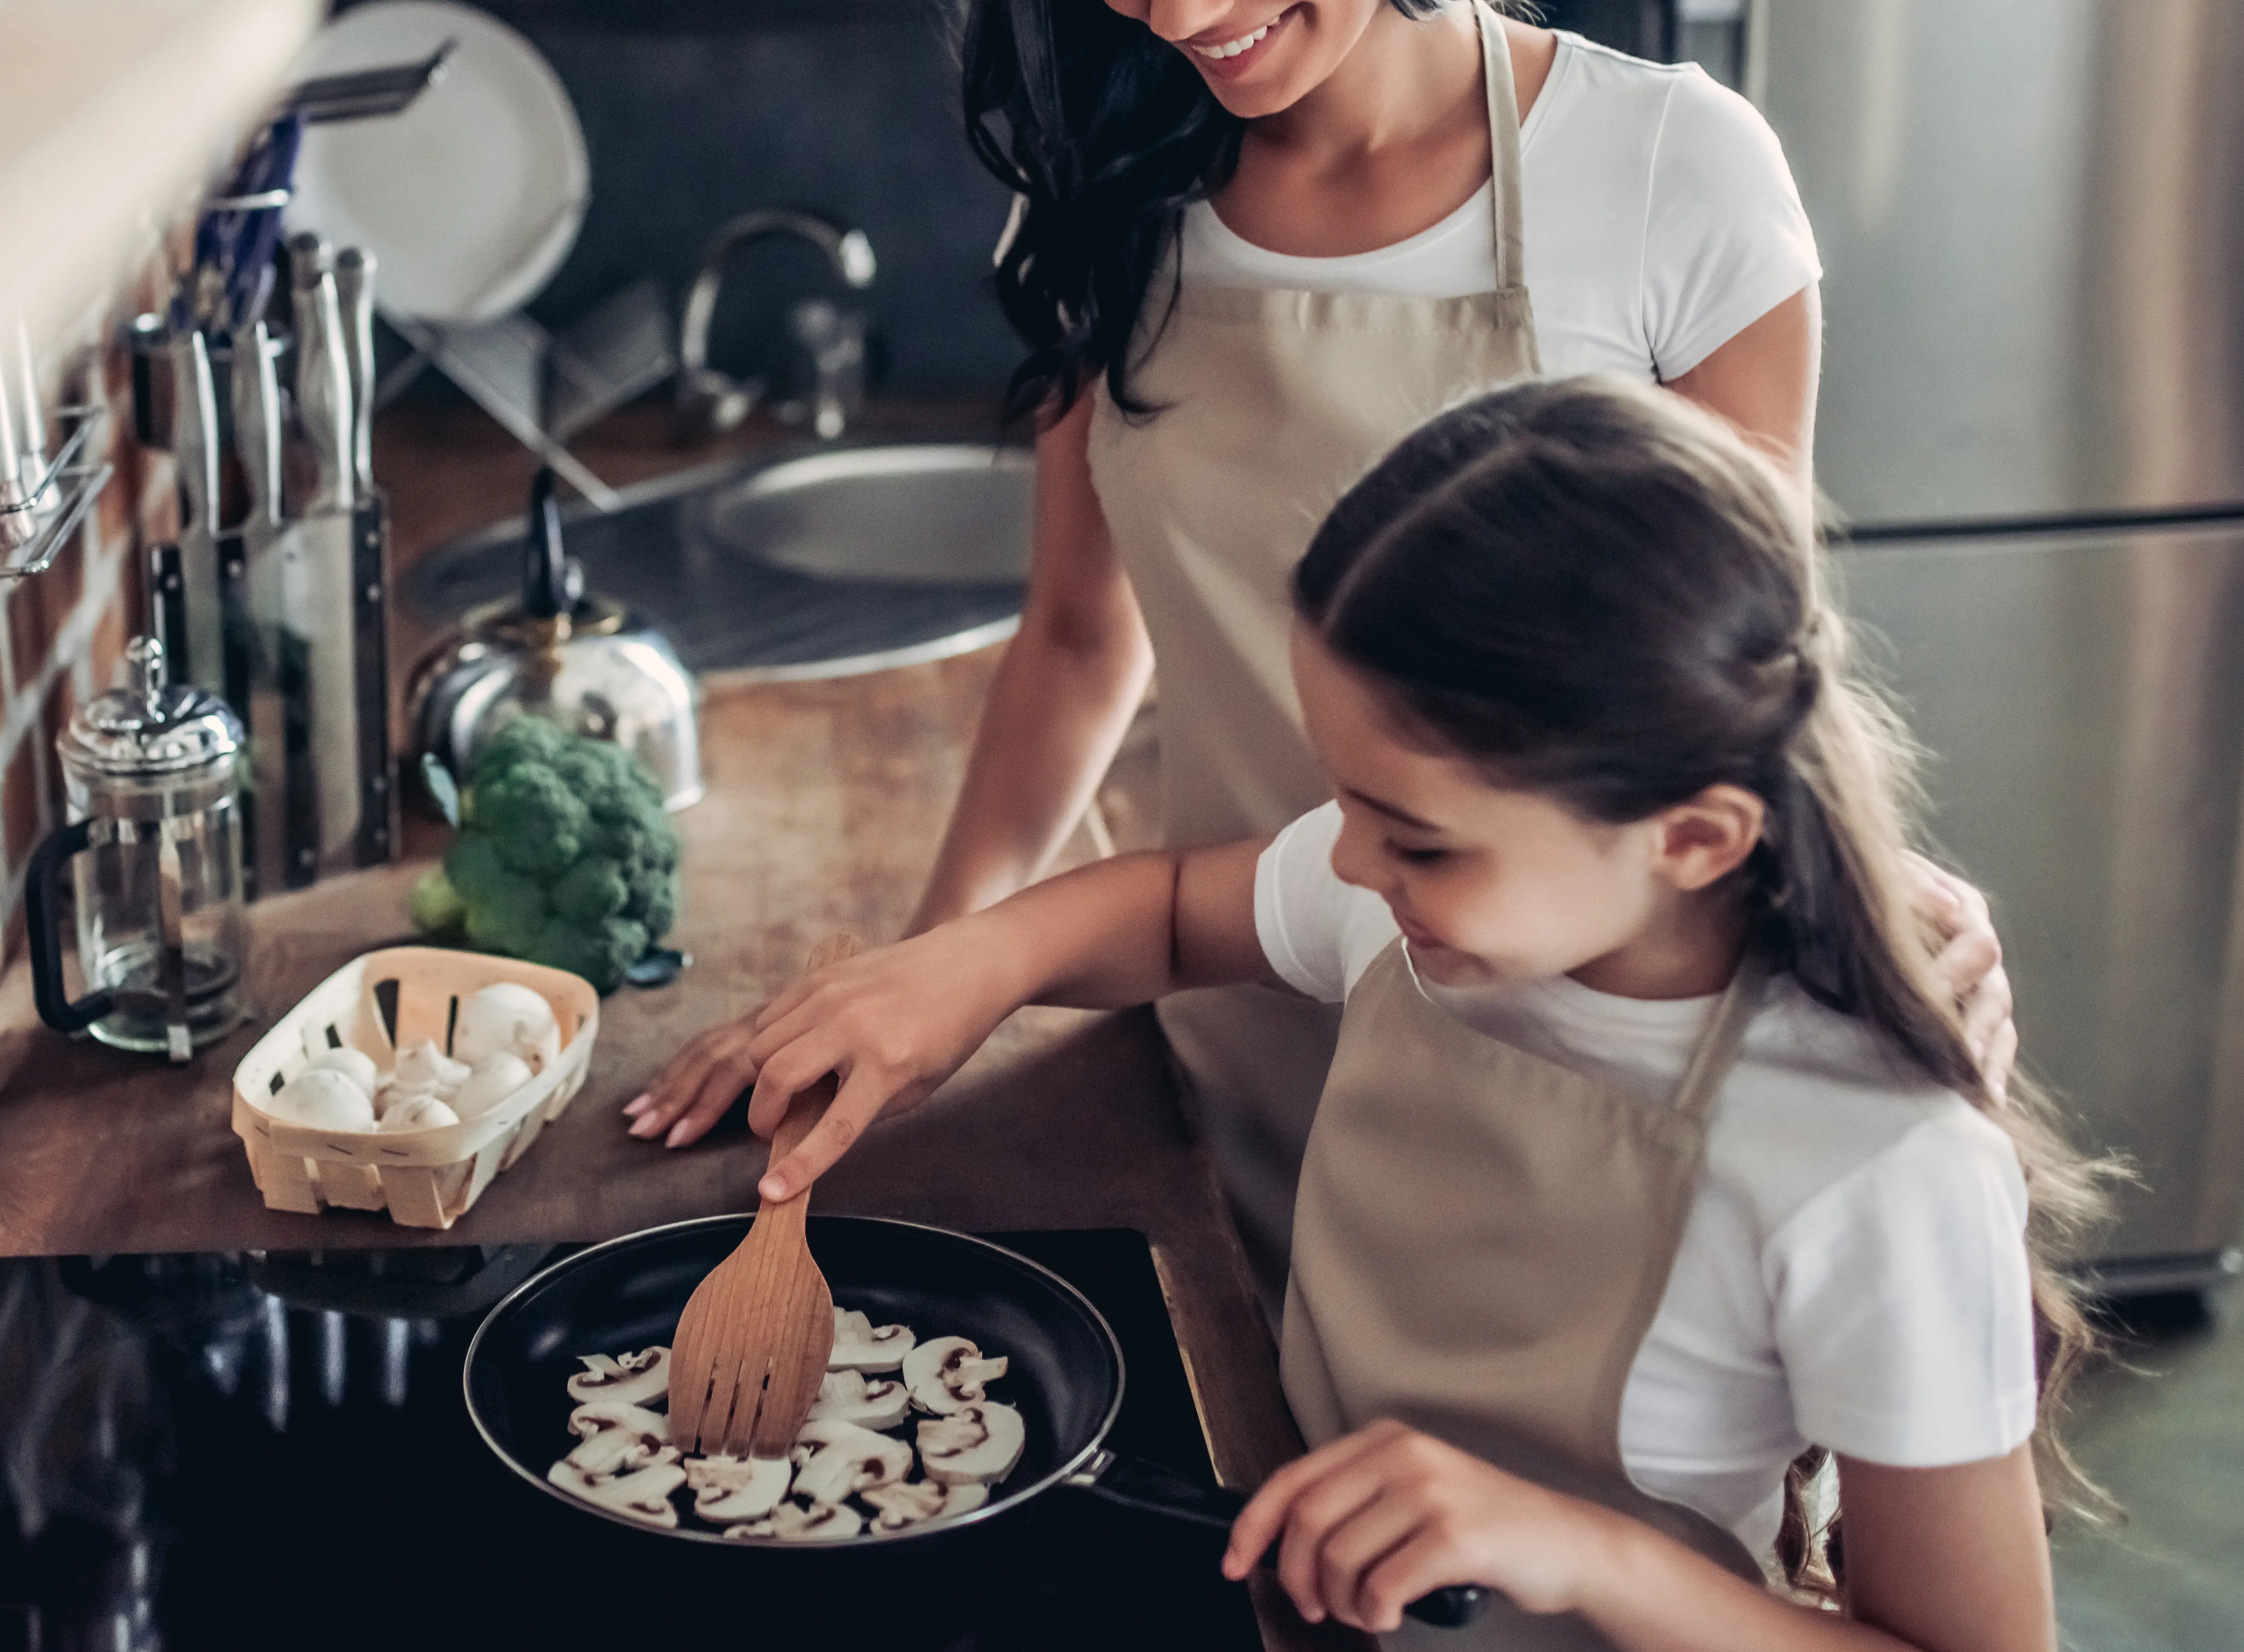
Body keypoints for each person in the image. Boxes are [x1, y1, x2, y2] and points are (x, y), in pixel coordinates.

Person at [619, 0, 2018, 1294]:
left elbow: (1740, 700)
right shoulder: (1108, 199)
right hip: (1240, 1064)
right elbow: (1073, 639)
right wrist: (925, 988)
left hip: (1589, 1120)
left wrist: (1887, 930)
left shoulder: (1677, 174)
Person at [732, 378, 2102, 1652]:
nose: (1345, 863)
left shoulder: (1878, 1168)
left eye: (1418, 839)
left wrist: (1584, 1551)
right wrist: (971, 964)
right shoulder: (1405, 901)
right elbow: (1162, 909)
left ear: (1693, 838)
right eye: (1348, 804)